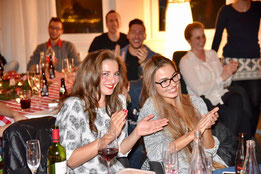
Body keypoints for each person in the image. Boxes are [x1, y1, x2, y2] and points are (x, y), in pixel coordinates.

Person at [55, 50, 168, 173]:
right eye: (105, 74)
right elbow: (70, 160)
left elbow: (119, 151)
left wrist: (137, 133)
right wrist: (109, 135)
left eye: (116, 74)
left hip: (114, 170)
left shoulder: (118, 101)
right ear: (90, 74)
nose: (113, 80)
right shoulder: (74, 105)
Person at [138, 55, 227, 174]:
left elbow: (209, 151)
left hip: (205, 165)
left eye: (174, 76)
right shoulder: (151, 108)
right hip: (173, 168)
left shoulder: (195, 101)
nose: (173, 84)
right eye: (164, 81)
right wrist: (193, 134)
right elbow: (154, 154)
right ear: (152, 85)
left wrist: (207, 127)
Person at [179, 22, 253, 138]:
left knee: (237, 98)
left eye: (203, 36)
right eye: (198, 38)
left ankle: (233, 145)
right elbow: (199, 91)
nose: (202, 40)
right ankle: (236, 144)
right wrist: (221, 77)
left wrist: (229, 73)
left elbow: (225, 83)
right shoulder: (186, 61)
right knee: (240, 115)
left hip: (221, 95)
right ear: (189, 40)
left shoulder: (212, 54)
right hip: (205, 101)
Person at [211, 0, 261, 136]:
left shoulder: (258, 7)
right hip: (232, 65)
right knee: (237, 102)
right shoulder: (226, 10)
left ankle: (249, 138)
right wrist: (210, 61)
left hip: (253, 65)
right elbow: (217, 37)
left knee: (255, 104)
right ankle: (238, 140)